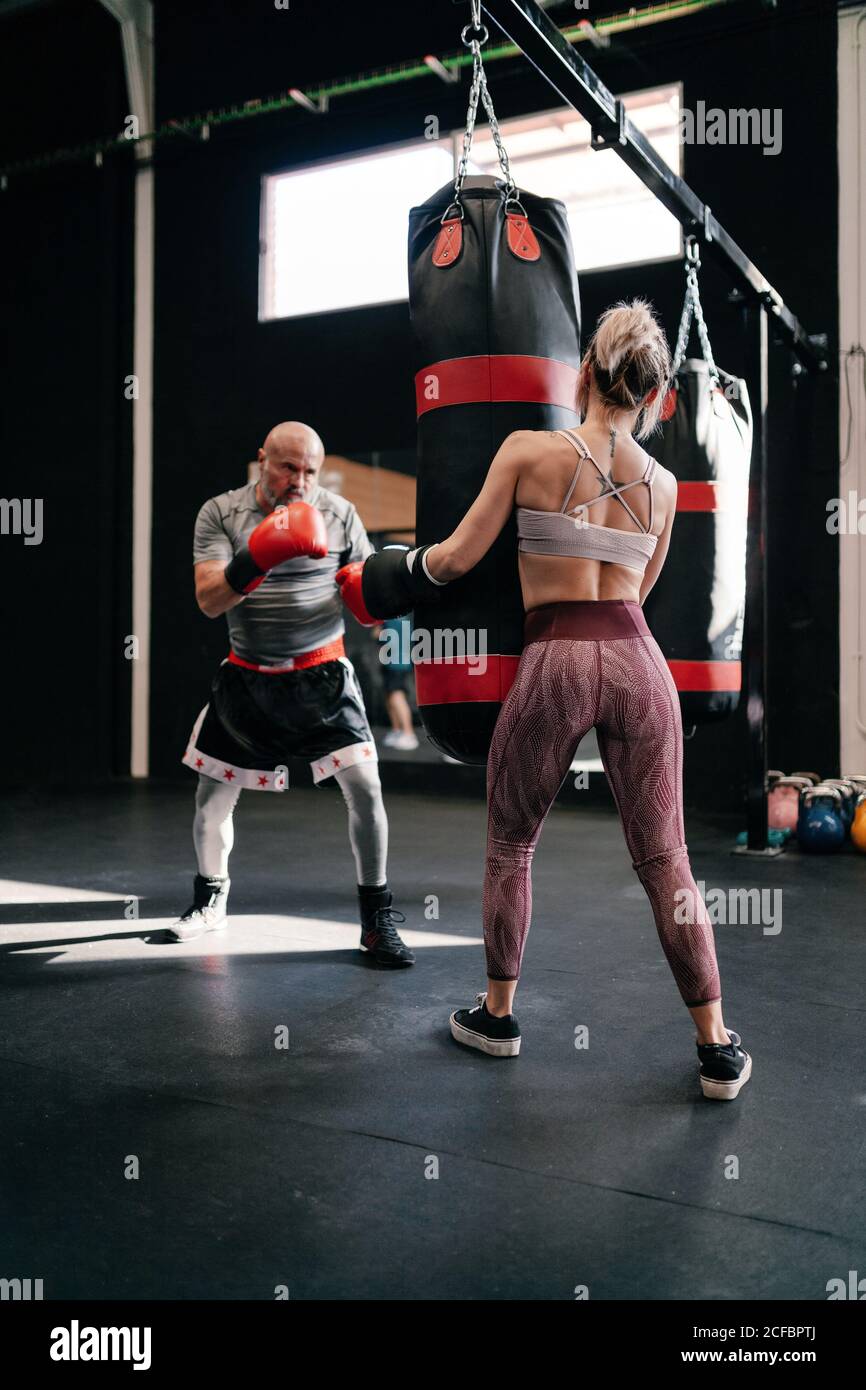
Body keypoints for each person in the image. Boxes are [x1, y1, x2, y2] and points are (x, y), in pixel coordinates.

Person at [347, 300, 750, 1099]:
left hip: (556, 653)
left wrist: (388, 575)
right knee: (667, 858)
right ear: (653, 391)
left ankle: (498, 1017)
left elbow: (457, 560)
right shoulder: (666, 484)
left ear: (585, 373)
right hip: (639, 660)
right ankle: (715, 1048)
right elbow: (648, 587)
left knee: (512, 845)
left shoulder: (528, 450)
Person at [172, 420, 415, 968]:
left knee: (367, 789)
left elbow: (363, 595)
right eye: (288, 467)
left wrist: (386, 593)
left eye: (310, 470)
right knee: (211, 799)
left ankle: (376, 921)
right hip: (248, 677)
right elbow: (209, 600)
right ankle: (210, 899)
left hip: (322, 675)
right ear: (263, 459)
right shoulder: (220, 513)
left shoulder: (340, 512)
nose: (300, 481)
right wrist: (257, 554)